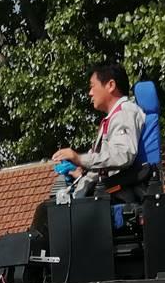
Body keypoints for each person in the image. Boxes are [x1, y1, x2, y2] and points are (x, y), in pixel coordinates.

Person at [51, 61, 146, 199]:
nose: (90, 93)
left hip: (116, 198)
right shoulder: (113, 117)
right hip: (106, 196)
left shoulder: (124, 113)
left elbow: (122, 155)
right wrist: (79, 169)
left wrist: (79, 159)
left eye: (92, 86)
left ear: (111, 85)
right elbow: (107, 164)